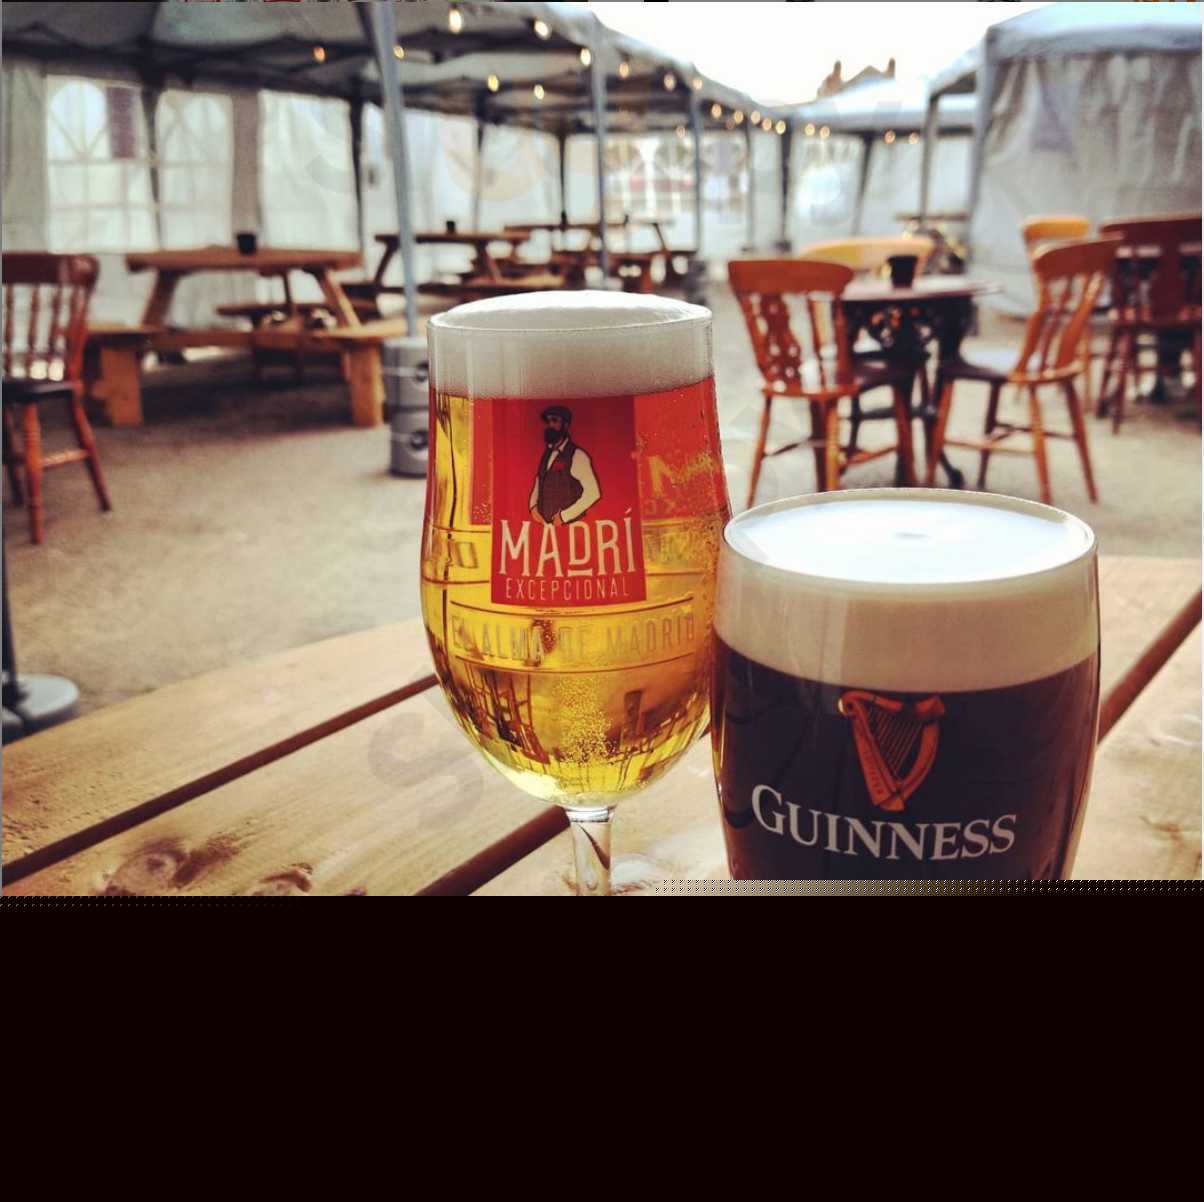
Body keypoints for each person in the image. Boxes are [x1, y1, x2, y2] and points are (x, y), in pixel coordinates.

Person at [528, 406, 601, 525]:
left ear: (566, 425)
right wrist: (533, 506)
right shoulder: (547, 454)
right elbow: (539, 480)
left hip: (572, 527)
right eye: (548, 421)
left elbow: (593, 493)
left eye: (554, 420)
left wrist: (564, 516)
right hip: (547, 528)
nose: (550, 425)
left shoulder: (577, 455)